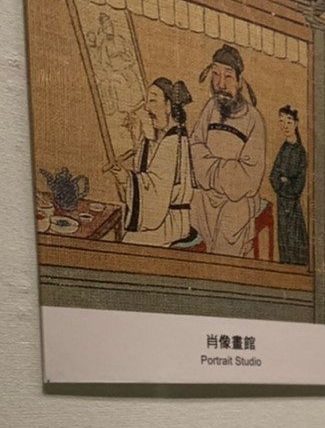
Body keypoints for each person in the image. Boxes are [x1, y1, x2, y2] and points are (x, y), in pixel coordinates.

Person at [191, 43, 266, 258]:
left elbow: (249, 176)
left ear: (240, 82)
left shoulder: (253, 119)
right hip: (204, 198)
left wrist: (211, 169)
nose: (220, 84)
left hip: (235, 202)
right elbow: (194, 147)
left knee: (225, 251)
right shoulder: (209, 108)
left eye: (228, 76)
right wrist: (223, 169)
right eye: (215, 74)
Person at [113, 77, 195, 247]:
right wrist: (138, 138)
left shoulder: (173, 142)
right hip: (166, 219)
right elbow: (150, 172)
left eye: (153, 100)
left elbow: (156, 188)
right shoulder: (168, 138)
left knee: (127, 246)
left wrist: (126, 179)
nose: (146, 107)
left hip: (170, 223)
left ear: (168, 106)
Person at [269, 106, 308, 265]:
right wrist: (282, 182)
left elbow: (299, 184)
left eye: (289, 122)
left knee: (295, 238)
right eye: (282, 121)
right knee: (283, 239)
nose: (285, 126)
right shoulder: (283, 149)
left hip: (292, 205)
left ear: (296, 124)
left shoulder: (300, 152)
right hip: (282, 202)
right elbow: (273, 176)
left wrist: (286, 184)